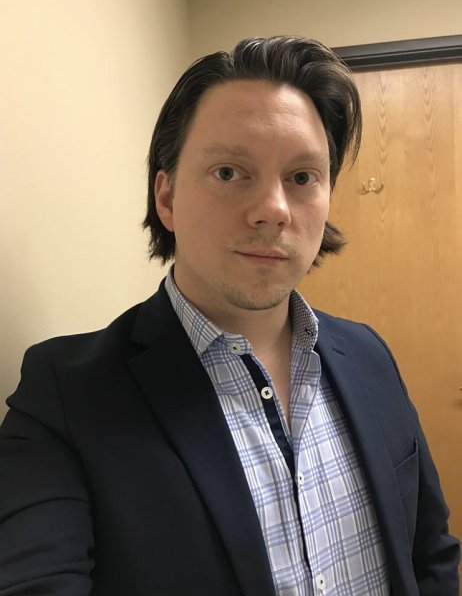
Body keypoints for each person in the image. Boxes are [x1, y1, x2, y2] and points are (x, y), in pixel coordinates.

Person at [0, 35, 459, 596]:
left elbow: (430, 553)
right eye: (228, 172)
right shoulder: (66, 395)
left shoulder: (370, 355)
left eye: (302, 177)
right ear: (166, 198)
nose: (273, 209)